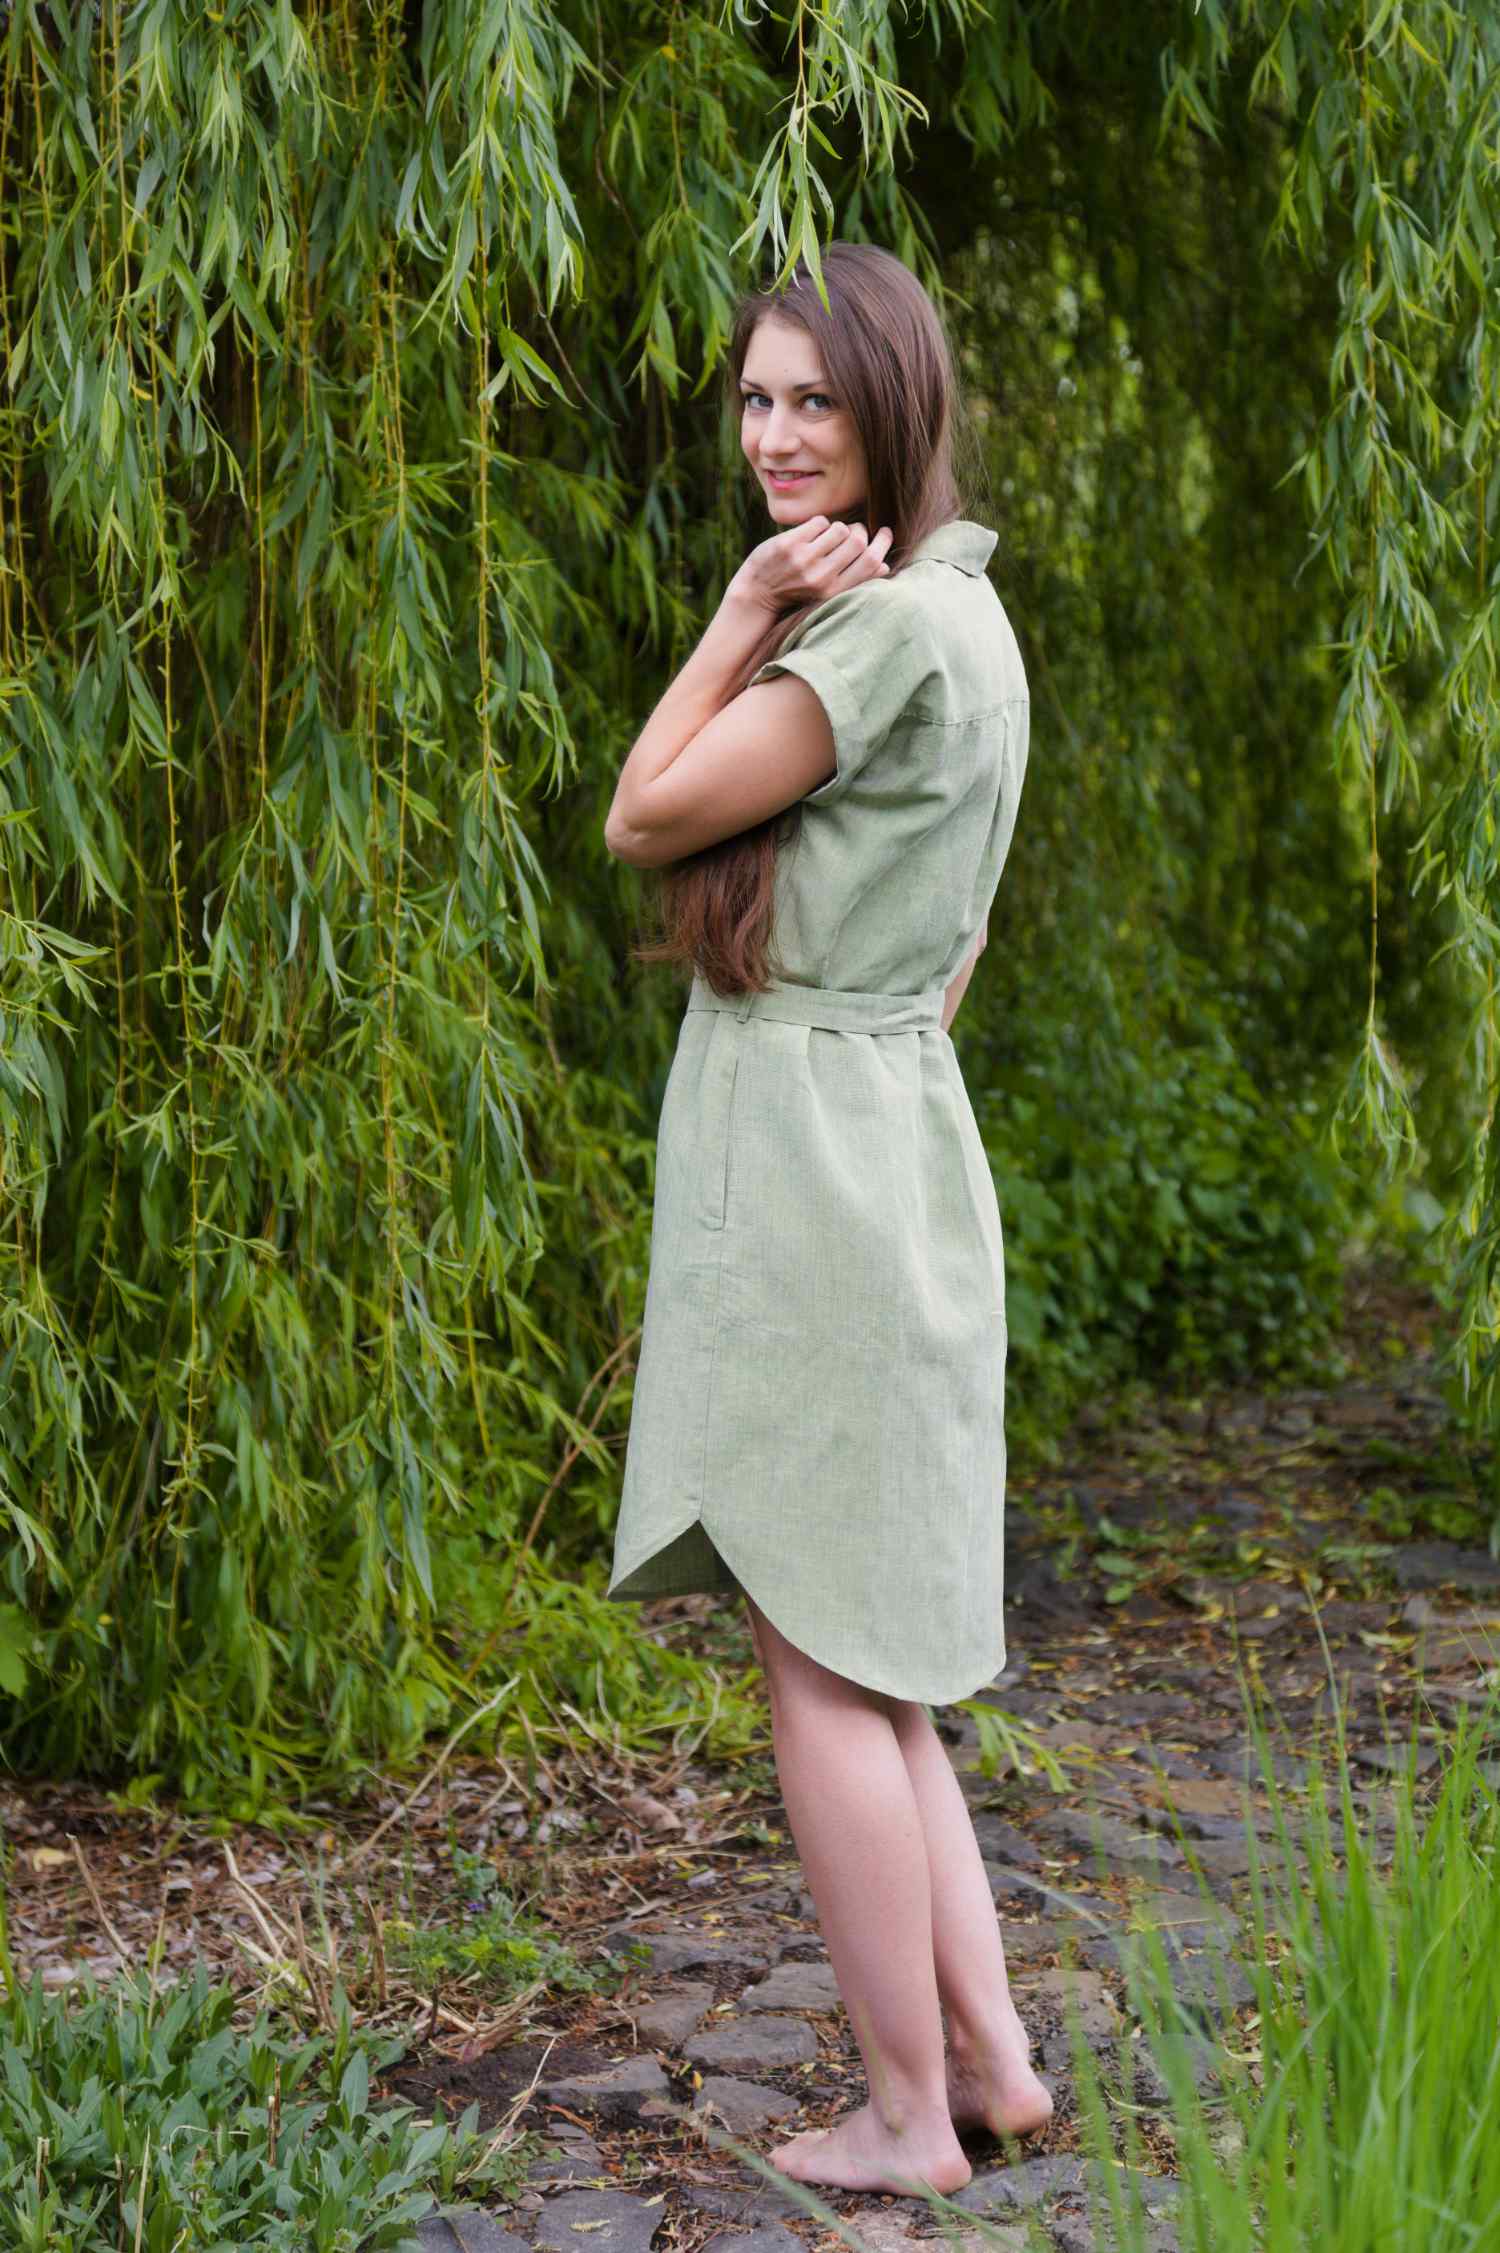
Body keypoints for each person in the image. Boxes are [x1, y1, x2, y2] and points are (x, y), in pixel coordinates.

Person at [601, 242, 1052, 2199]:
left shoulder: (868, 637)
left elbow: (645, 811)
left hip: (810, 1163)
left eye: (814, 399)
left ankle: (902, 2113)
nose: (777, 436)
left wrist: (737, 612)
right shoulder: (974, 617)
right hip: (902, 1133)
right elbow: (954, 955)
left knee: (814, 1657)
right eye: (756, 400)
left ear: (893, 401)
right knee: (878, 1662)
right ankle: (994, 2065)